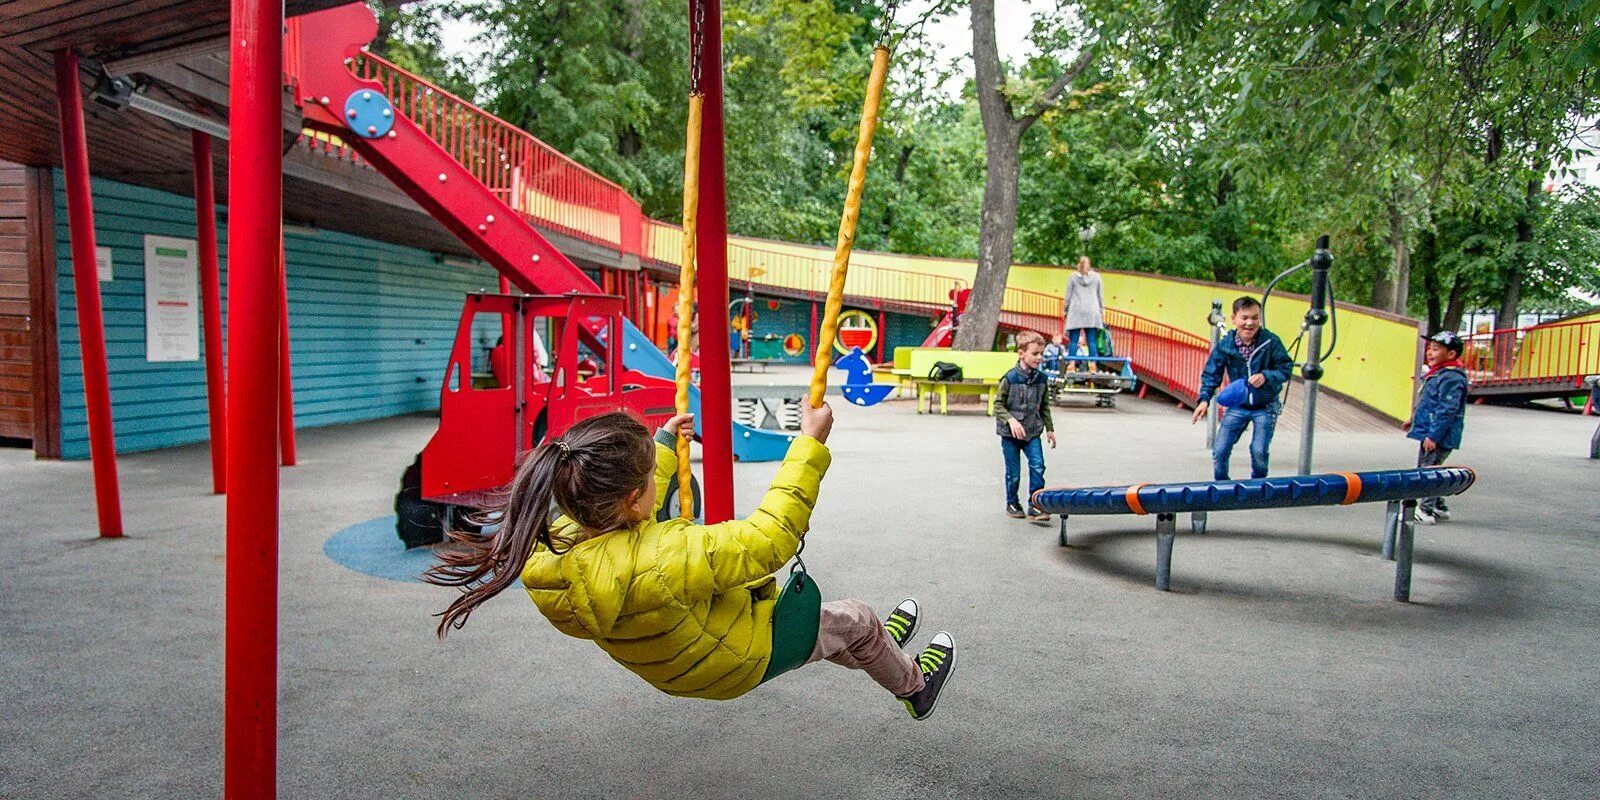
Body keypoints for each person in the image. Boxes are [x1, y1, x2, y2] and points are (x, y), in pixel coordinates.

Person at [424, 405, 958, 720]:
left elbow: (630, 524)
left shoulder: (554, 547)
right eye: (651, 481)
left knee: (845, 634)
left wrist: (660, 444)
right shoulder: (663, 557)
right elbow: (768, 538)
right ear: (635, 499)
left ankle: (875, 649)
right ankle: (914, 687)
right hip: (736, 657)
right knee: (857, 618)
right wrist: (808, 444)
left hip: (683, 661)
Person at [1190, 297, 1294, 480]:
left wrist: (1266, 376)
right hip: (1239, 404)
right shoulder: (1226, 345)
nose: (1249, 323)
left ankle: (1259, 485)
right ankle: (1222, 486)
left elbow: (1285, 368)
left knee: (1259, 451)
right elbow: (1212, 374)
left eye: (1254, 318)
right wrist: (1204, 399)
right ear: (1234, 318)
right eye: (1244, 317)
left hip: (1265, 405)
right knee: (1220, 450)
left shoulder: (1270, 342)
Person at [1402, 330, 1469, 524]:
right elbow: (1428, 403)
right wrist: (1413, 420)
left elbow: (1447, 409)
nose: (1430, 353)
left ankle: (1425, 511)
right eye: (1430, 349)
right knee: (1432, 467)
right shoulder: (1438, 374)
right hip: (1430, 432)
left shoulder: (1451, 378)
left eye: (1436, 349)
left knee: (1427, 471)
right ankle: (1439, 506)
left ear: (1451, 355)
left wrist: (1434, 435)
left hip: (1438, 436)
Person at [996, 330, 1057, 521]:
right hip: (1010, 434)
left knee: (1038, 466)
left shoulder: (1042, 380)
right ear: (1021, 353)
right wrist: (1011, 420)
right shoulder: (1010, 378)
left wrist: (1050, 429)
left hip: (1032, 432)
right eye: (1035, 354)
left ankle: (1035, 505)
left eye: (1041, 354)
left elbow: (1044, 406)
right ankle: (1012, 503)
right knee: (1013, 472)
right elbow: (998, 405)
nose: (1039, 358)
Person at [1062, 256, 1105, 370]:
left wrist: (1065, 310)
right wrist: (1101, 311)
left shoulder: (1072, 278)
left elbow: (1068, 296)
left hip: (1076, 311)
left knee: (1073, 340)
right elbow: (1100, 296)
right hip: (1092, 312)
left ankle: (1071, 364)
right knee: (1092, 340)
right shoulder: (1096, 278)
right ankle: (1093, 365)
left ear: (1078, 264)